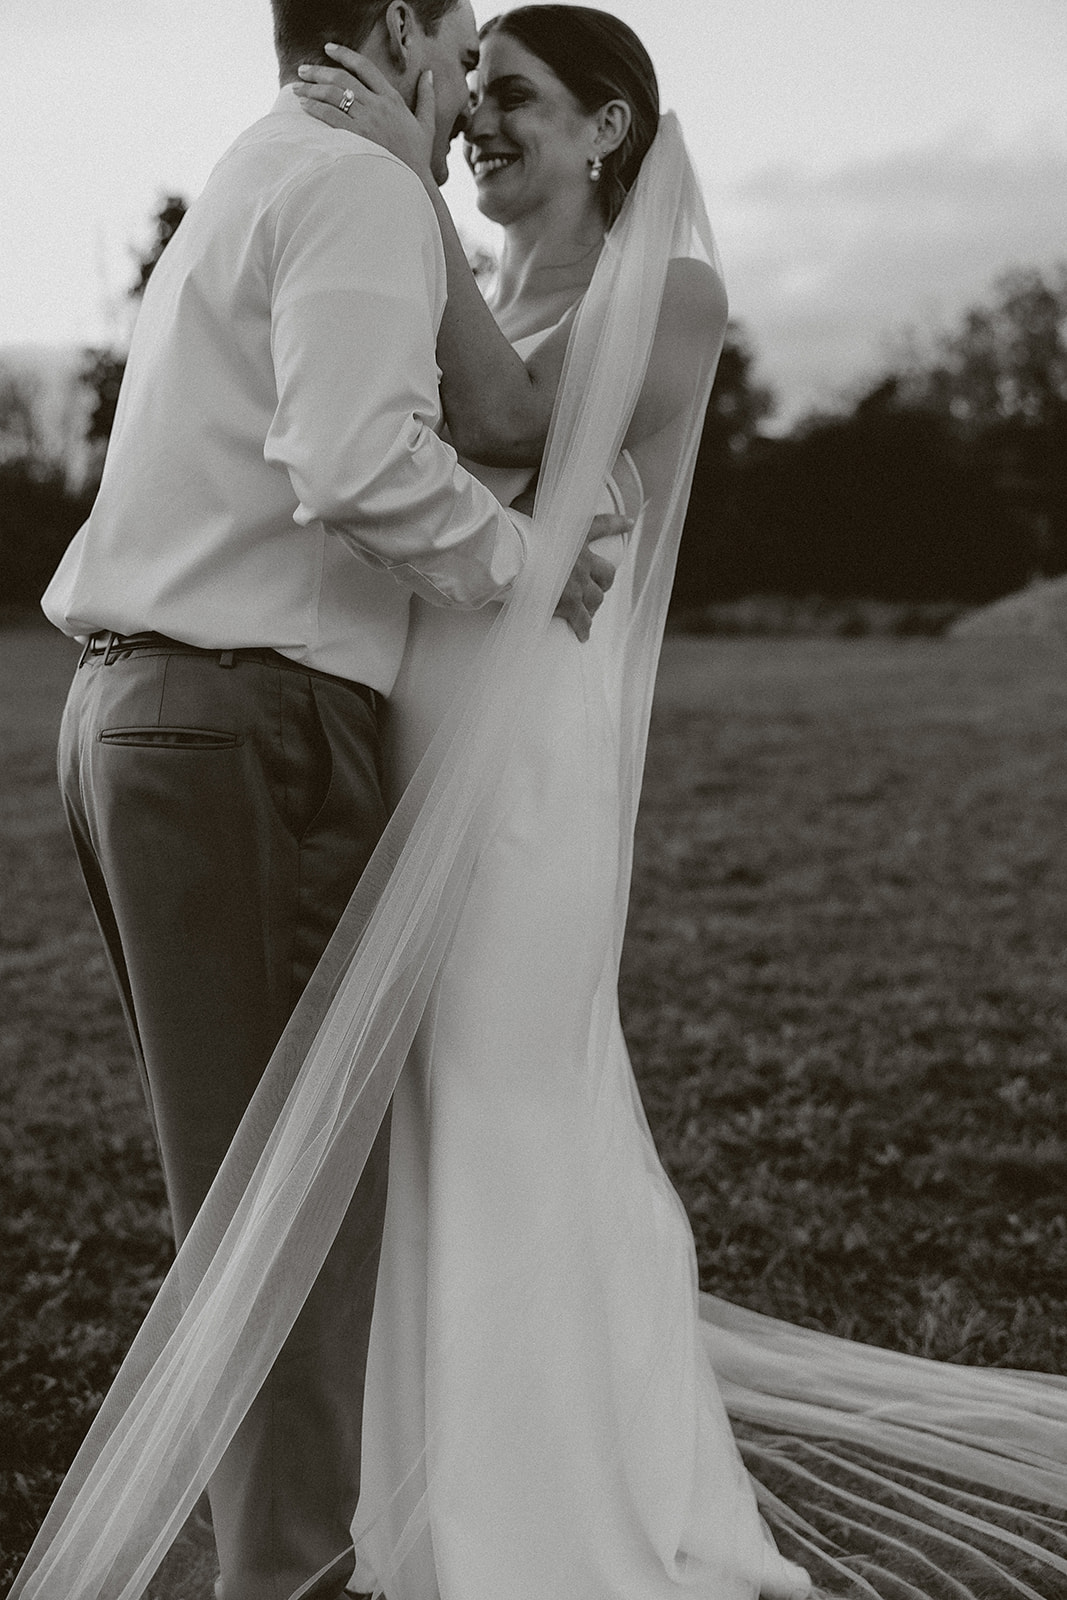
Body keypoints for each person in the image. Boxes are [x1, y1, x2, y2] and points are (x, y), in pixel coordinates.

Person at [15, 7, 1067, 1600]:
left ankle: (527, 1503)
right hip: (388, 741)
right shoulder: (466, 283)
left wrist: (391, 172)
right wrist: (397, 181)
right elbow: (413, 427)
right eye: (468, 82)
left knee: (498, 1102)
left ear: (610, 130)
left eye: (515, 97)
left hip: (515, 766)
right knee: (382, 1131)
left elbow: (511, 433)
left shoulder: (674, 292)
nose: (472, 122)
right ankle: (386, 1491)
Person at [33, 2, 626, 1597]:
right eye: (466, 47)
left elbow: (495, 411)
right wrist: (527, 565)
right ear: (399, 31)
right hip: (247, 724)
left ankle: (288, 1556)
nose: (472, 93)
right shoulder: (355, 183)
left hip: (144, 711)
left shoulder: (278, 164)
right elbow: (356, 459)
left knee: (248, 1183)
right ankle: (291, 1575)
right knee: (293, 1201)